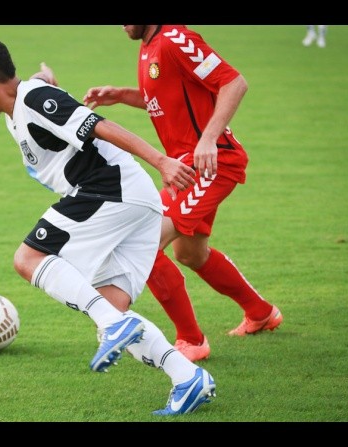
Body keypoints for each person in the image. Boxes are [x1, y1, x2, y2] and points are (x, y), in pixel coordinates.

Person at [0, 36, 216, 416]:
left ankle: (113, 325)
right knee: (112, 308)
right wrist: (47, 79)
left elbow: (100, 125)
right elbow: (45, 98)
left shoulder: (33, 101)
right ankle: (188, 379)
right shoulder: (29, 99)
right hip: (133, 203)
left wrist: (161, 162)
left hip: (110, 190)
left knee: (28, 258)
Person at [83, 25, 283, 362]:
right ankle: (260, 312)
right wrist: (121, 94)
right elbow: (166, 99)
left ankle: (191, 340)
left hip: (211, 163)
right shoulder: (149, 46)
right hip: (185, 169)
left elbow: (233, 83)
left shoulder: (176, 39)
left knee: (143, 244)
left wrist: (208, 139)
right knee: (191, 254)